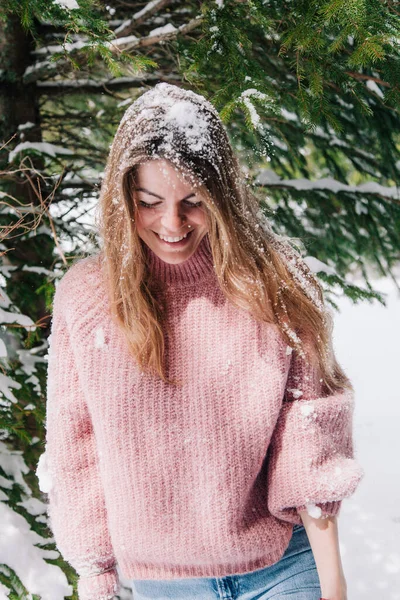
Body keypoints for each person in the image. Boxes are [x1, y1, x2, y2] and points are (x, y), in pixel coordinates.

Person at [37, 83, 364, 600]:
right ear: (124, 199)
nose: (171, 224)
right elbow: (75, 450)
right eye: (149, 202)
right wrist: (96, 575)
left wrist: (334, 584)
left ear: (222, 196)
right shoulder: (87, 296)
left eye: (193, 201)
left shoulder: (275, 279)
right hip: (163, 583)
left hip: (282, 566)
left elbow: (308, 429)